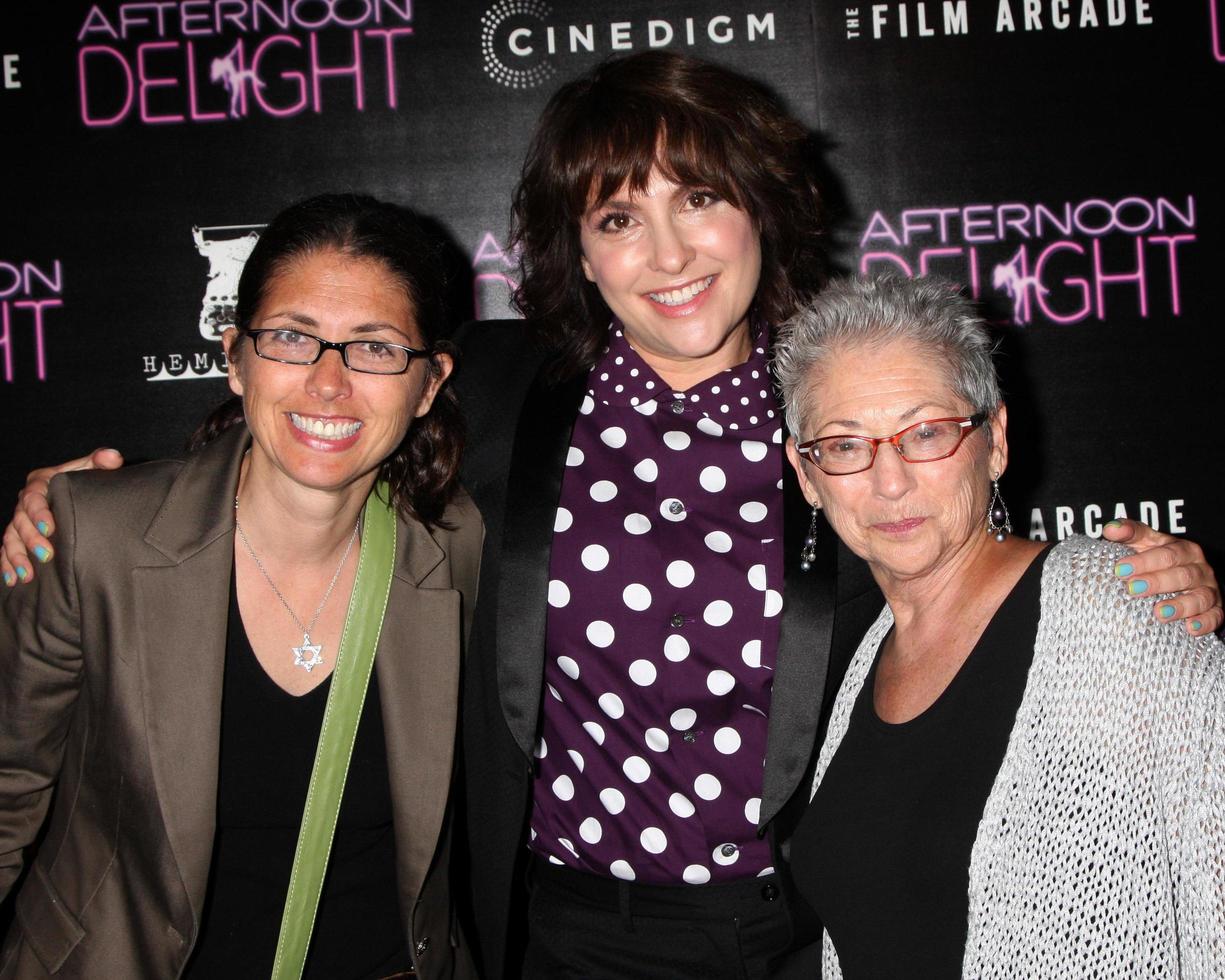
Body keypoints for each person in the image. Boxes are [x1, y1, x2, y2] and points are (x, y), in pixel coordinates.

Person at [2, 54, 1220, 979]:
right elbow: (322, 412)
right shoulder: (491, 387)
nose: (668, 250)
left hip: (786, 927)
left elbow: (956, 556)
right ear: (580, 254)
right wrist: (76, 500)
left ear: (760, 214)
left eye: (700, 199)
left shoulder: (838, 409)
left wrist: (1142, 579)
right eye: (618, 217)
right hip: (552, 928)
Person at [0, 194, 481, 979]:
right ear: (235, 356)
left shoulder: (459, 551)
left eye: (375, 348)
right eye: (292, 338)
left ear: (428, 385)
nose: (329, 384)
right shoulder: (95, 539)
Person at [774, 274, 1224, 977]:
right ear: (807, 475)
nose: (888, 481)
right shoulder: (860, 657)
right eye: (843, 445)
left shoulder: (1112, 605)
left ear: (995, 441)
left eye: (925, 432)